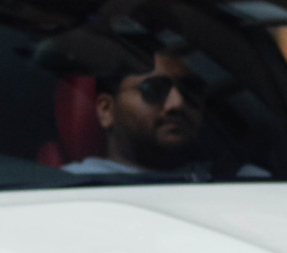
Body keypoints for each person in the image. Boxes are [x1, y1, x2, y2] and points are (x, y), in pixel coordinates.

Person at [61, 47, 264, 179]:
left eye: (191, 89)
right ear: (106, 110)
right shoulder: (66, 188)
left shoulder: (244, 182)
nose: (177, 103)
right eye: (154, 89)